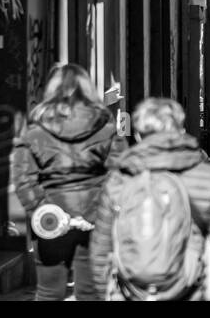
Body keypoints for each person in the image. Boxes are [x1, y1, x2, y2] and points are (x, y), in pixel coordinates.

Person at [90, 98, 210, 301]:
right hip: (191, 288)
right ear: (180, 130)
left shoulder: (120, 178)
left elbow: (101, 248)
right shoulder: (204, 175)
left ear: (138, 135)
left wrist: (104, 292)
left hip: (132, 290)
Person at [11, 62, 126, 301]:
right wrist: (93, 214)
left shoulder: (35, 132)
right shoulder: (105, 129)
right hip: (93, 225)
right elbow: (119, 175)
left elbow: (23, 179)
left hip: (51, 223)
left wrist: (46, 212)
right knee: (89, 292)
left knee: (48, 292)